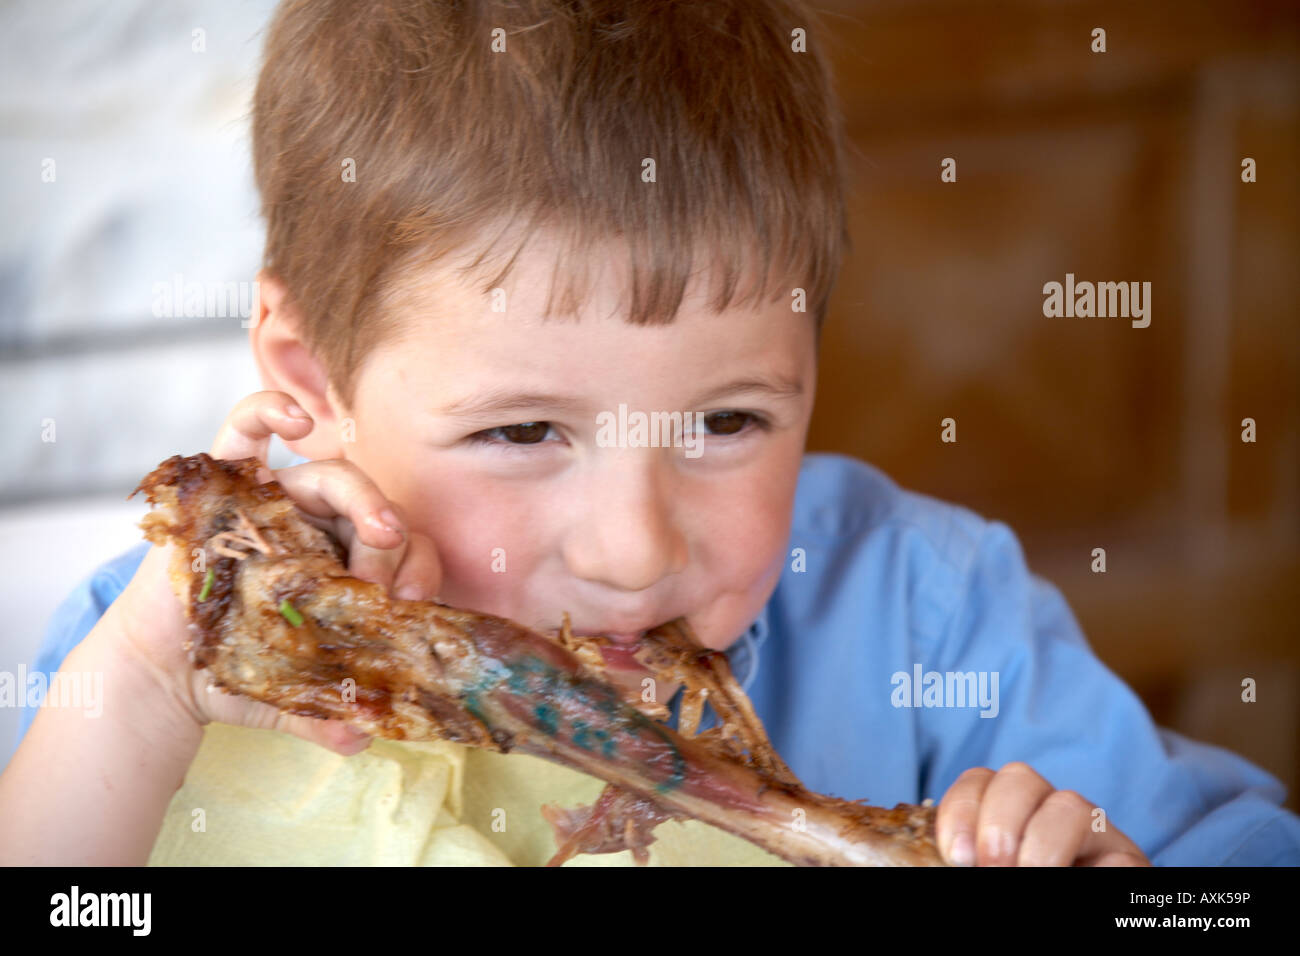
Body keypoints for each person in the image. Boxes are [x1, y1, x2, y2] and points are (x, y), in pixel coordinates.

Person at [4, 0, 1297, 866]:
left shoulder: (923, 612)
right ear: (311, 375)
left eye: (727, 420)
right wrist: (141, 694)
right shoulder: (165, 652)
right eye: (523, 432)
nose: (634, 552)